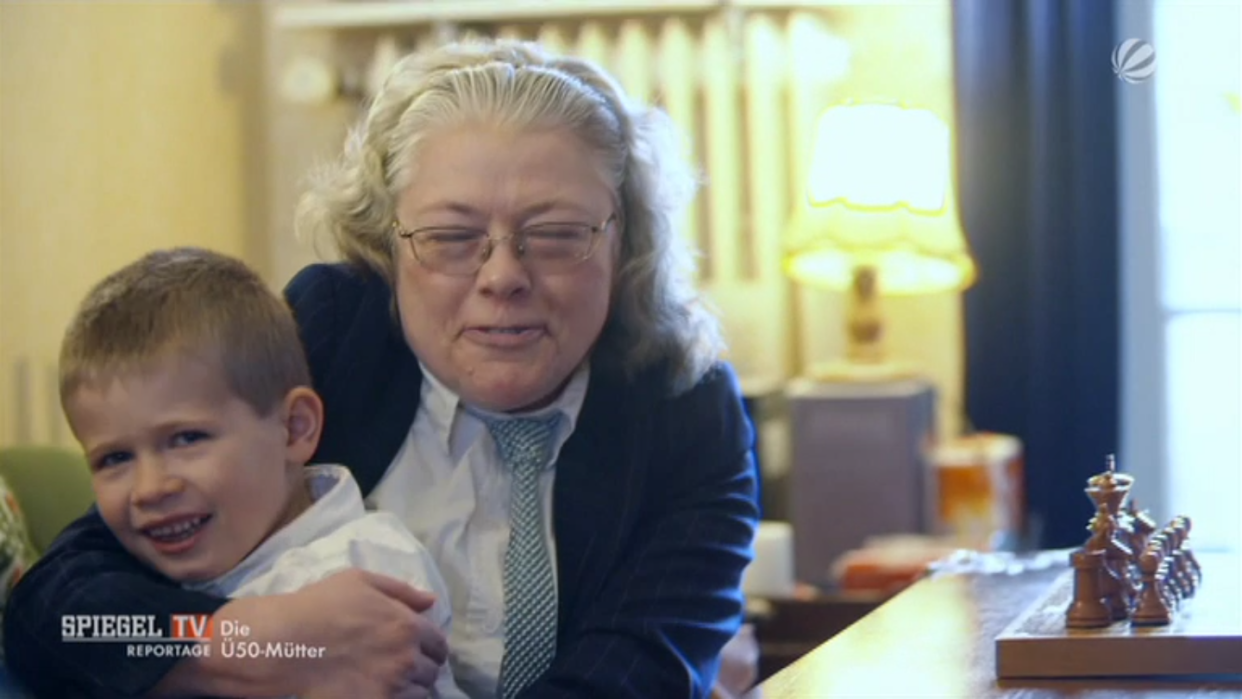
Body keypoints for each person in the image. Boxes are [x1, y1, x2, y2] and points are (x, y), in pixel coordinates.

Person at [3, 38, 759, 699]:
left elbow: (641, 670)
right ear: (386, 245)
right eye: (451, 235)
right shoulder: (334, 335)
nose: (502, 276)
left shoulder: (684, 405)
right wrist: (261, 643)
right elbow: (58, 611)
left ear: (625, 242)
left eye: (557, 233)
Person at [55, 247, 466, 699]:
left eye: (188, 439)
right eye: (114, 459)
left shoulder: (365, 570)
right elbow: (70, 626)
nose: (149, 489)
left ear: (294, 428)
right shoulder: (144, 573)